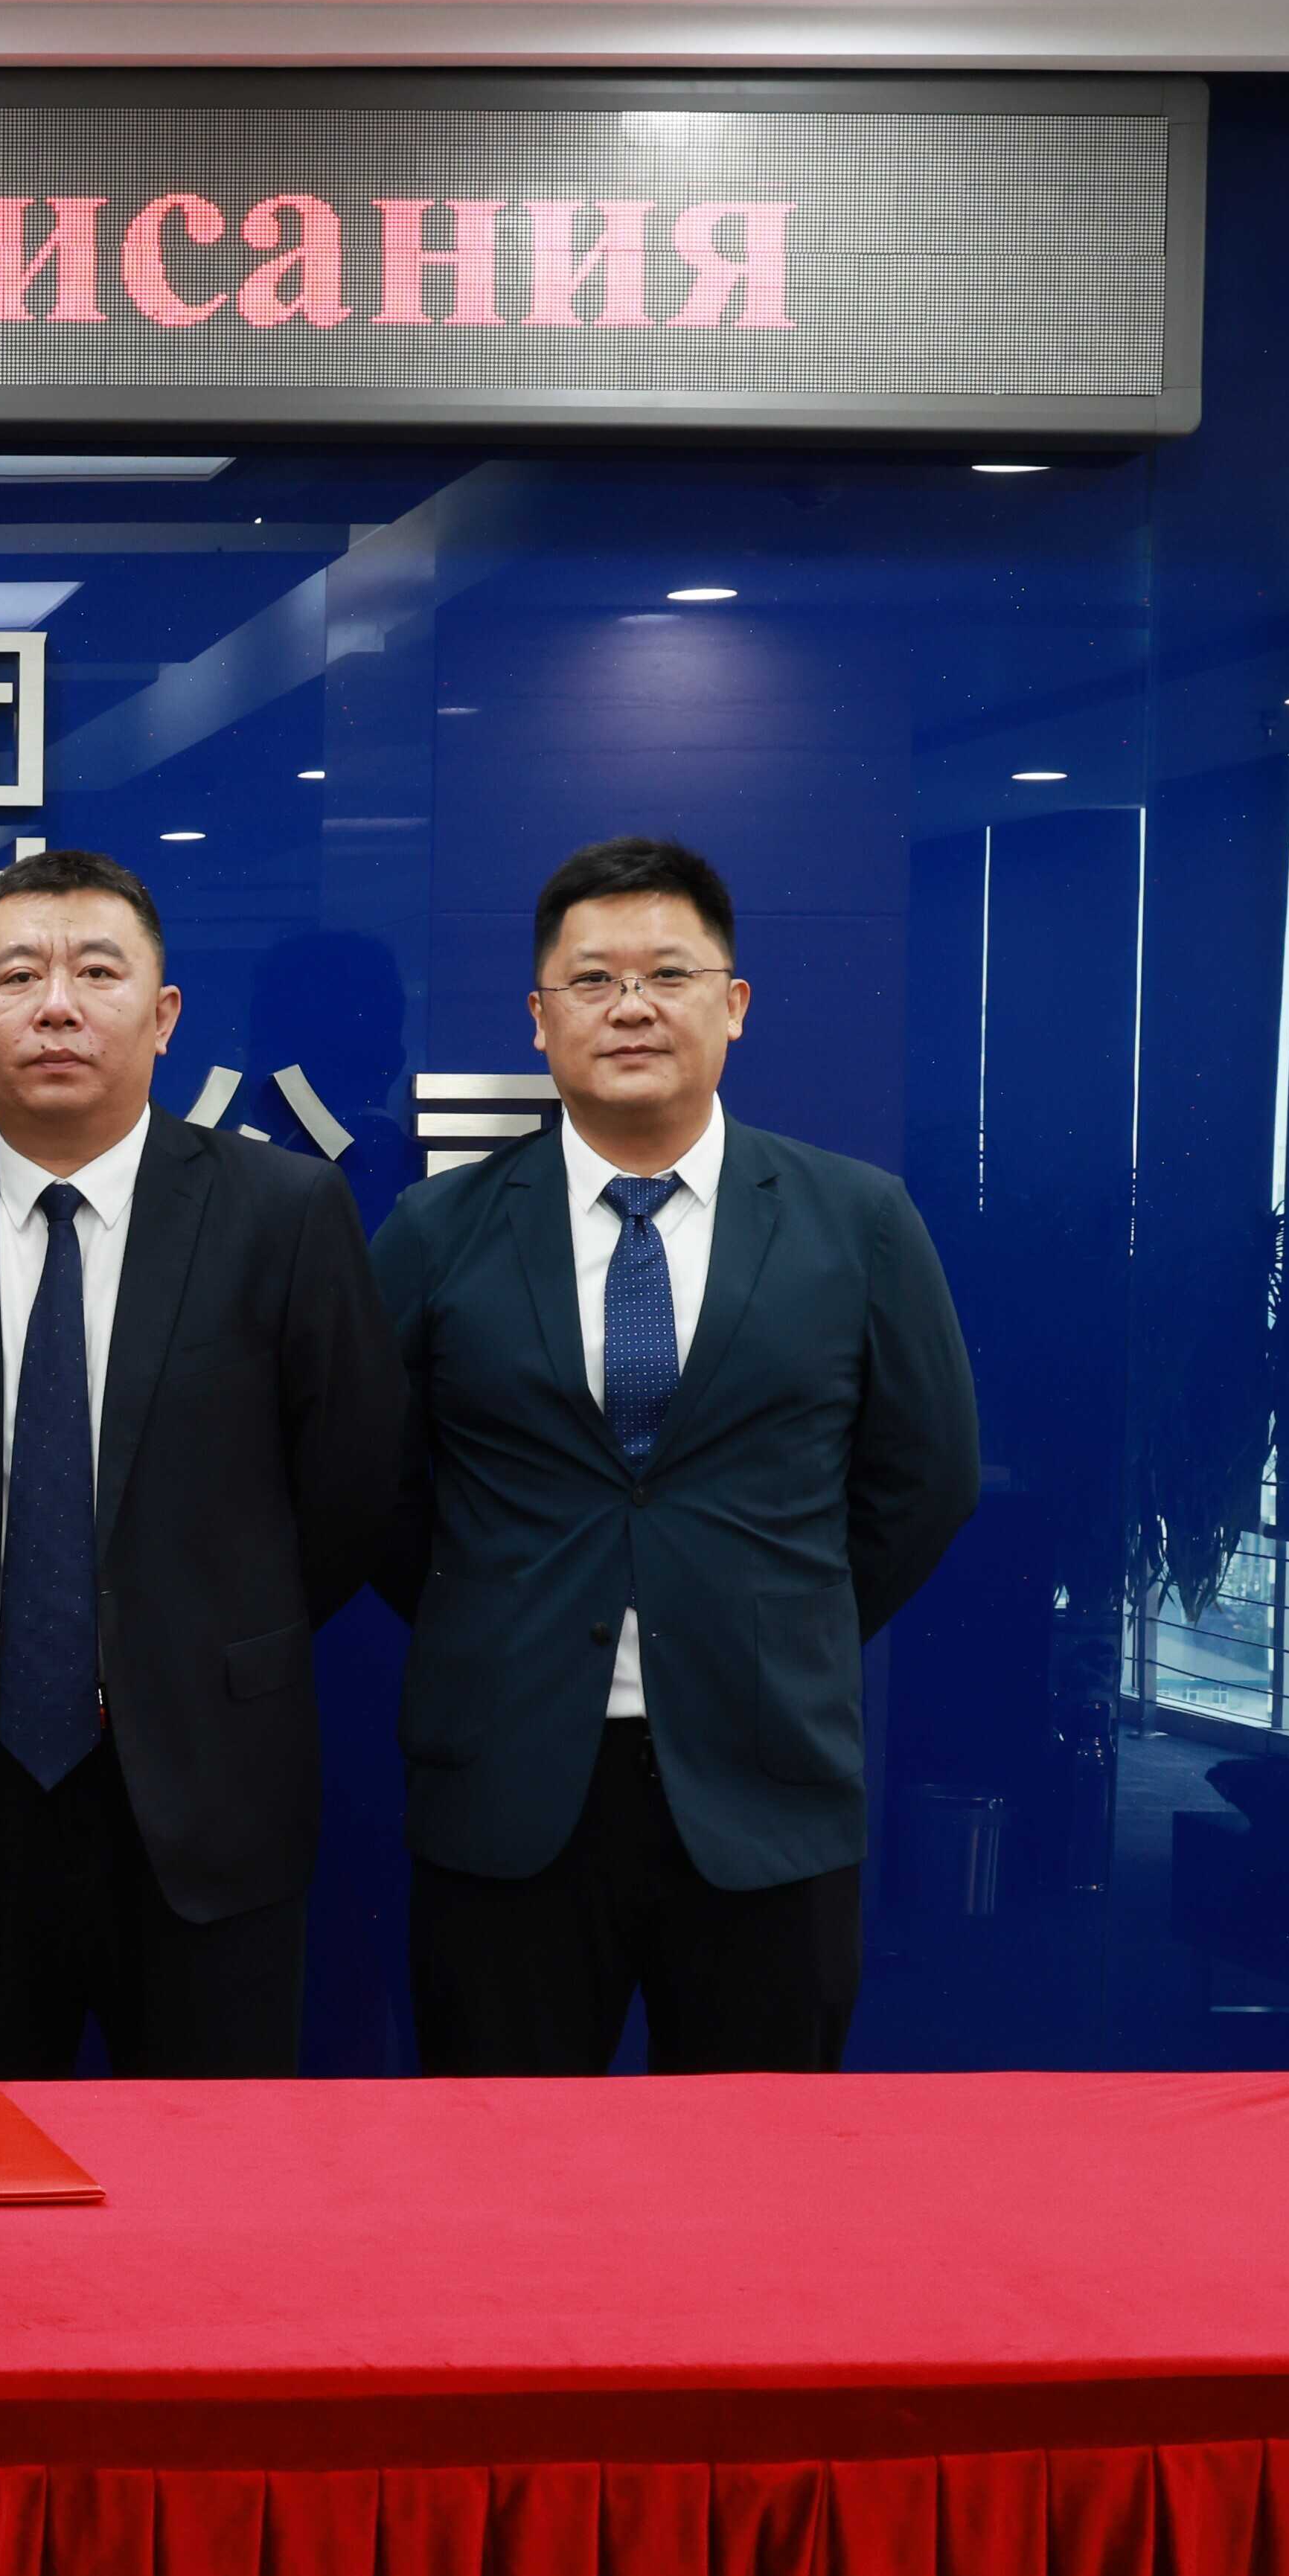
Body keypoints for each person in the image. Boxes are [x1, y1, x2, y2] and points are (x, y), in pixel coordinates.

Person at [375, 836, 982, 2074]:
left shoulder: (858, 1220)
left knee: (756, 2173)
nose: (632, 1006)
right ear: (539, 1018)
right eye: (593, 980)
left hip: (768, 1782)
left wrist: (779, 1613)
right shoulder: (436, 1228)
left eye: (669, 974)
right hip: (508, 1784)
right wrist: (497, 1606)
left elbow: (927, 1477)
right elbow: (373, 1484)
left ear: (734, 1003)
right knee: (501, 2162)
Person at [0, 849, 399, 2080]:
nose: (57, 1005)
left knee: (219, 2171)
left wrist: (203, 1635)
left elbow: (353, 1488)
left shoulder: (283, 1211)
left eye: (98, 972)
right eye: (18, 977)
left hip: (213, 1787)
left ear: (164, 1015)